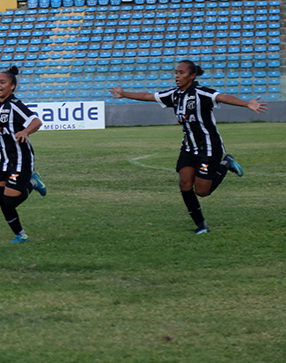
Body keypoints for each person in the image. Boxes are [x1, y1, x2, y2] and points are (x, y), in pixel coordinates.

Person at [109, 59, 267, 234]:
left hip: (208, 147)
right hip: (189, 147)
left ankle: (226, 162)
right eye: (176, 72)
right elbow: (148, 96)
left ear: (192, 76)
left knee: (202, 191)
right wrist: (125, 94)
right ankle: (201, 226)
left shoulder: (201, 94)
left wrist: (247, 103)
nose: (177, 76)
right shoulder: (174, 95)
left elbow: (221, 97)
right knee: (184, 183)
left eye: (182, 72)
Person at [0, 66, 47, 243]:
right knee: (2, 200)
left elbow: (36, 121)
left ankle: (33, 182)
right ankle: (21, 235)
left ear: (12, 86)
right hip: (1, 160)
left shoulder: (15, 106)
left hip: (20, 158)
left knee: (10, 201)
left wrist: (25, 132)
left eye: (2, 82)